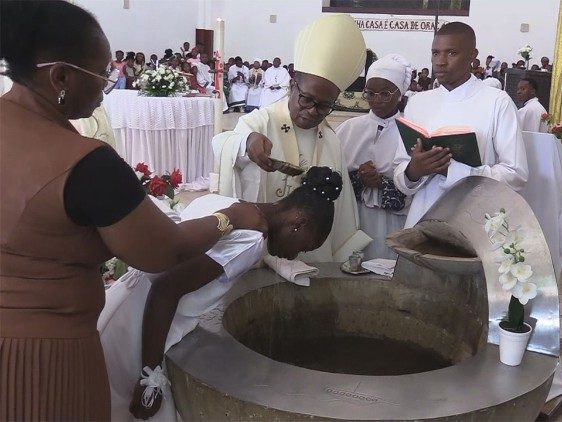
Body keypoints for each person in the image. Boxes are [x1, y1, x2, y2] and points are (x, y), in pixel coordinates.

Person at [0, 1, 263, 420]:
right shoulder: (85, 162)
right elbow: (164, 251)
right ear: (61, 77)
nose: (105, 86)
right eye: (100, 73)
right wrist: (229, 218)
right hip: (49, 356)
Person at [100, 167, 343, 421]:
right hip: (142, 332)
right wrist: (150, 377)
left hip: (126, 306)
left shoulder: (232, 204)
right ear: (299, 223)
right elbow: (166, 289)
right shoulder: (252, 241)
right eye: (303, 247)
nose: (294, 256)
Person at [212, 14, 372, 262]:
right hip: (261, 254)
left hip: (311, 256)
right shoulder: (261, 122)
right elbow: (221, 145)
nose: (311, 111)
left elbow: (342, 212)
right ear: (293, 84)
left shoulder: (330, 139)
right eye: (306, 99)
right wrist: (246, 143)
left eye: (323, 106)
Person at [393, 22, 528, 228]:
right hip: (423, 215)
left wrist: (453, 171)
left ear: (473, 56)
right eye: (435, 53)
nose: (440, 62)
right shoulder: (418, 103)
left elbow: (515, 174)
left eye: (451, 53)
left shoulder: (496, 102)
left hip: (476, 219)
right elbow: (400, 171)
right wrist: (414, 170)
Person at [336, 54, 413, 259]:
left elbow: (418, 184)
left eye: (385, 93)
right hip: (354, 217)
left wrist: (382, 183)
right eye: (370, 94)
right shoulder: (348, 129)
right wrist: (358, 178)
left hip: (394, 220)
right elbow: (334, 176)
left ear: (400, 94)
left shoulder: (411, 132)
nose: (376, 100)